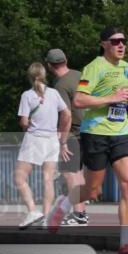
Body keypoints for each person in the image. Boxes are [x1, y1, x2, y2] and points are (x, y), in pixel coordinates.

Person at [47, 26, 128, 254]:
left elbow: (121, 100)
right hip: (96, 133)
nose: (121, 45)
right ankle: (63, 205)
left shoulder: (126, 67)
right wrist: (111, 98)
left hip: (121, 131)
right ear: (104, 44)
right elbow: (79, 100)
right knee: (92, 190)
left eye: (123, 41)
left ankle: (125, 243)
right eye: (115, 41)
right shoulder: (94, 67)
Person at [15, 62, 71, 228]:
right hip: (52, 140)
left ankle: (33, 211)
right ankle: (46, 216)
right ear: (44, 75)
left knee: (19, 178)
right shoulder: (54, 93)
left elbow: (24, 122)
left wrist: (26, 124)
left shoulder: (27, 95)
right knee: (48, 179)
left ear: (30, 76)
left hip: (34, 139)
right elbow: (67, 114)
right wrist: (60, 132)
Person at [45, 48, 88, 227]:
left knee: (69, 173)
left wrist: (62, 141)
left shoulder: (60, 86)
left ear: (49, 66)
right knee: (78, 173)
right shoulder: (80, 75)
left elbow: (66, 115)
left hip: (73, 133)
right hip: (91, 129)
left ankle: (79, 215)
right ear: (66, 60)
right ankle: (81, 212)